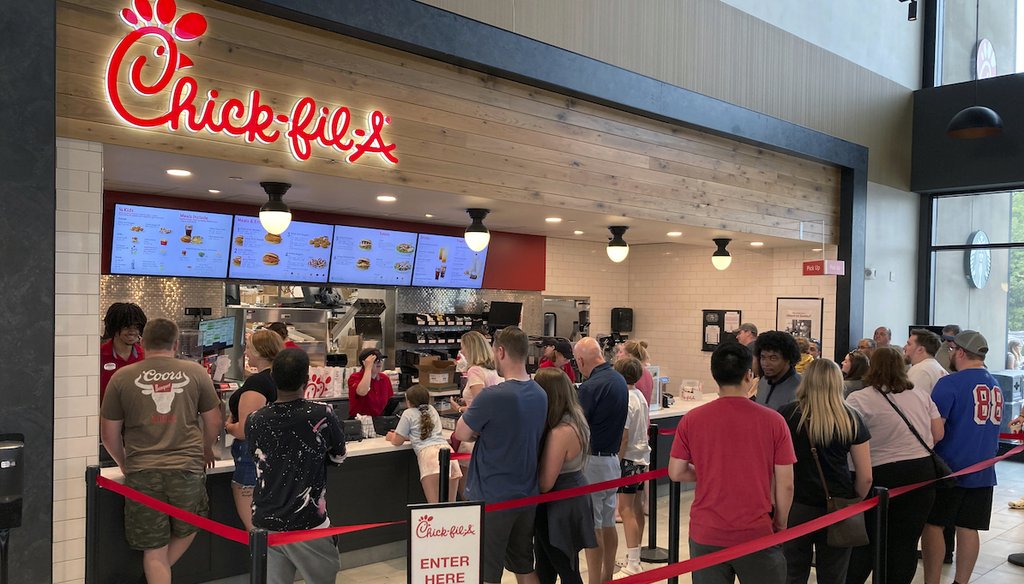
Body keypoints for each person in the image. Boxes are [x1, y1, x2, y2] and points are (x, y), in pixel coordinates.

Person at [99, 318, 221, 584]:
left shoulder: (122, 377)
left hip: (142, 472)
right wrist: (205, 449)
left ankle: (157, 570)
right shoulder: (197, 372)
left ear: (142, 343)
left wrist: (124, 462)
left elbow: (108, 434)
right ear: (177, 344)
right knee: (193, 524)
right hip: (187, 468)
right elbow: (214, 421)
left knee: (154, 550)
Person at [668, 342, 796, 584]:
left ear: (714, 376)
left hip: (707, 531)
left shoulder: (692, 420)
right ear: (749, 375)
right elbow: (786, 483)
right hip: (756, 530)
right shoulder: (774, 421)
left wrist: (708, 472)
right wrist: (781, 521)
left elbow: (676, 472)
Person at [844, 346, 945, 584]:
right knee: (905, 543)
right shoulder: (920, 394)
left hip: (882, 475)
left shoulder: (859, 399)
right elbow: (937, 433)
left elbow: (849, 440)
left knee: (865, 542)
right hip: (922, 473)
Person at [454, 326, 547, 584]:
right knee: (524, 564)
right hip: (526, 494)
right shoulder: (540, 394)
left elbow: (462, 433)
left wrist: (480, 431)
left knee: (487, 572)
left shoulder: (492, 396)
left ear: (501, 351)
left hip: (492, 496)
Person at [247, 348, 346, 584]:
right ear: (308, 380)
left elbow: (257, 457)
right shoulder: (321, 414)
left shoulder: (255, 419)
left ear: (273, 378)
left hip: (266, 521)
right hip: (309, 522)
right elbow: (339, 456)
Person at [778, 359, 872, 584]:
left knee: (792, 572)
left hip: (796, 504)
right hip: (837, 505)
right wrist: (855, 501)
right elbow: (866, 476)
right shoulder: (851, 417)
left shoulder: (787, 415)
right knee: (834, 573)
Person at [921, 331, 1004, 584]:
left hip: (950, 469)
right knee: (969, 527)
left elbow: (935, 430)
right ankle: (962, 581)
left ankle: (932, 580)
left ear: (958, 352)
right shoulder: (995, 384)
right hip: (983, 469)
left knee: (934, 525)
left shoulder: (950, 383)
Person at [533, 367, 596, 584]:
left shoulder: (561, 431)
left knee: (565, 567)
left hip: (558, 503)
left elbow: (546, 483)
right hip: (572, 496)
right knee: (547, 564)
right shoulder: (576, 419)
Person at [574, 336, 629, 584]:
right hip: (612, 461)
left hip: (592, 462)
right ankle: (607, 576)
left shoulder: (590, 387)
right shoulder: (618, 379)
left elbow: (578, 426)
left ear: (582, 360)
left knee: (593, 527)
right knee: (608, 522)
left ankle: (595, 580)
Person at [224, 329, 282, 531]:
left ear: (258, 352)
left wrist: (229, 426)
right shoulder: (280, 378)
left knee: (255, 529)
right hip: (274, 455)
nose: (246, 353)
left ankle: (264, 561)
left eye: (248, 348)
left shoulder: (257, 383)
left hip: (251, 458)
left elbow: (245, 430)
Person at [386, 385, 462, 503]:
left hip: (429, 458)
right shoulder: (432, 410)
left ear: (409, 401)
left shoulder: (408, 413)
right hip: (449, 454)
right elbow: (425, 432)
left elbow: (397, 441)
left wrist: (391, 436)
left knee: (434, 506)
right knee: (450, 505)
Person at [449, 330, 503, 495]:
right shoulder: (495, 371)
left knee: (466, 492)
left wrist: (459, 408)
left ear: (471, 348)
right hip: (492, 435)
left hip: (472, 436)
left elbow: (482, 404)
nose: (461, 352)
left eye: (463, 347)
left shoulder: (475, 371)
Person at [613, 357, 651, 577]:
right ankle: (634, 555)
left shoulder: (625, 398)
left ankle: (634, 562)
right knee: (636, 507)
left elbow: (624, 436)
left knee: (626, 510)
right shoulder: (640, 396)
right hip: (641, 457)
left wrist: (616, 461)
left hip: (628, 458)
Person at [100, 302, 148, 401]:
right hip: (106, 413)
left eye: (136, 327)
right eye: (126, 326)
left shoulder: (145, 356)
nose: (132, 331)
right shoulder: (99, 356)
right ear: (114, 328)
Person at [754, 331, 803, 410]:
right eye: (763, 357)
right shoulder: (763, 382)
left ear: (788, 359)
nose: (765, 363)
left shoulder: (801, 386)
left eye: (773, 358)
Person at [347, 348, 394, 417]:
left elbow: (390, 401)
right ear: (364, 363)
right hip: (360, 420)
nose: (379, 362)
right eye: (375, 361)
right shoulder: (355, 377)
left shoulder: (384, 378)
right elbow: (362, 392)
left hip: (379, 419)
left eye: (381, 360)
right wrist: (368, 368)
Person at [903, 328, 946, 395]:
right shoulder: (938, 368)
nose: (904, 348)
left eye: (909, 344)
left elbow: (913, 402)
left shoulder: (920, 370)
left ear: (920, 349)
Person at [616, 339, 654, 405]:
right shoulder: (647, 373)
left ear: (629, 356)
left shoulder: (631, 374)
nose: (617, 355)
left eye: (620, 352)